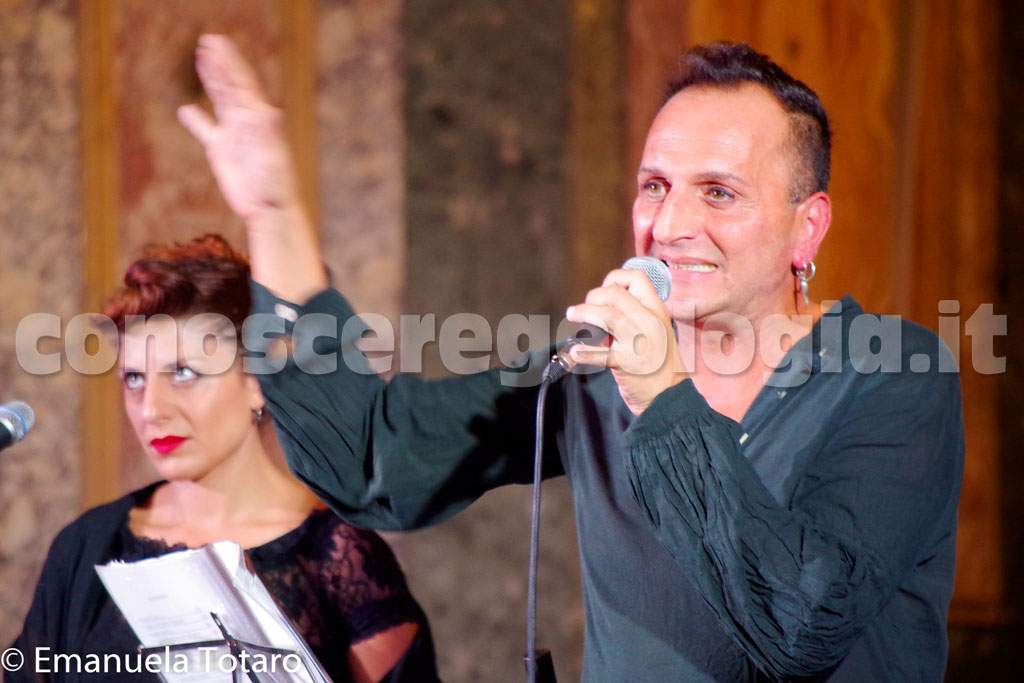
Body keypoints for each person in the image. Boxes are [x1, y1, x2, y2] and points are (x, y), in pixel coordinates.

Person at [179, 35, 964, 681]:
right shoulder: (600, 367)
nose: (669, 224)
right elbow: (373, 458)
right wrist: (273, 213)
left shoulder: (894, 375)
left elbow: (801, 624)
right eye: (654, 186)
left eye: (718, 192)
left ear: (806, 227)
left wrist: (662, 396)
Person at [10, 235, 438, 682]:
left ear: (257, 383)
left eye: (184, 373)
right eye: (134, 379)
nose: (151, 409)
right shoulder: (87, 544)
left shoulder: (341, 560)